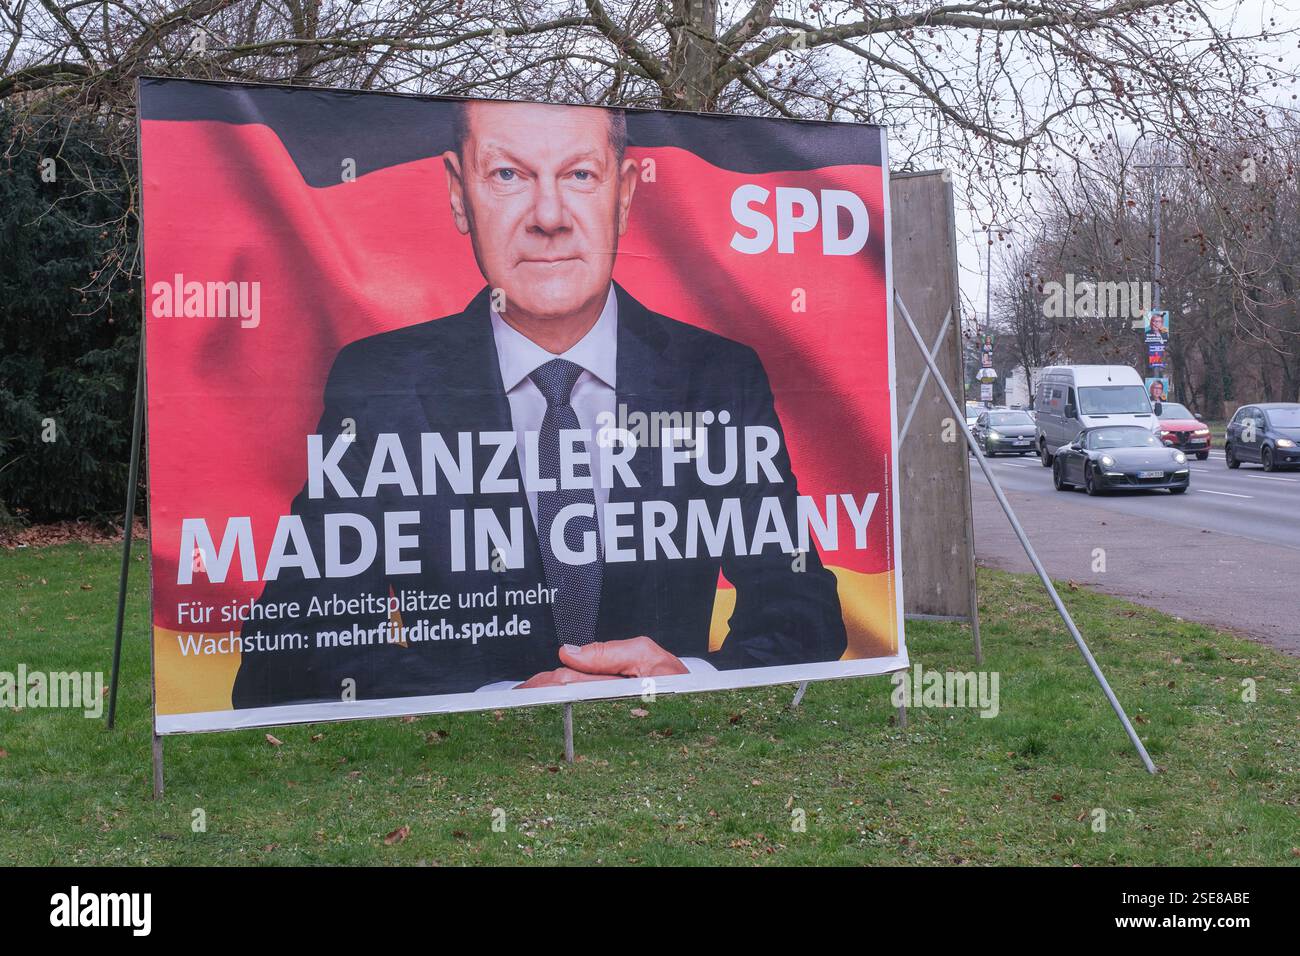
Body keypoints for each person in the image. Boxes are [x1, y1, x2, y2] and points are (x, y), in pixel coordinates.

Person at [231, 100, 847, 708]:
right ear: (457, 192)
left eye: (580, 175)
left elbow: (801, 613)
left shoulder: (717, 376)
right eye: (507, 175)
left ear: (624, 194)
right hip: (467, 779)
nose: (548, 216)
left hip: (666, 761)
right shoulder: (379, 383)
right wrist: (493, 704)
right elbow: (287, 653)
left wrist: (688, 680)